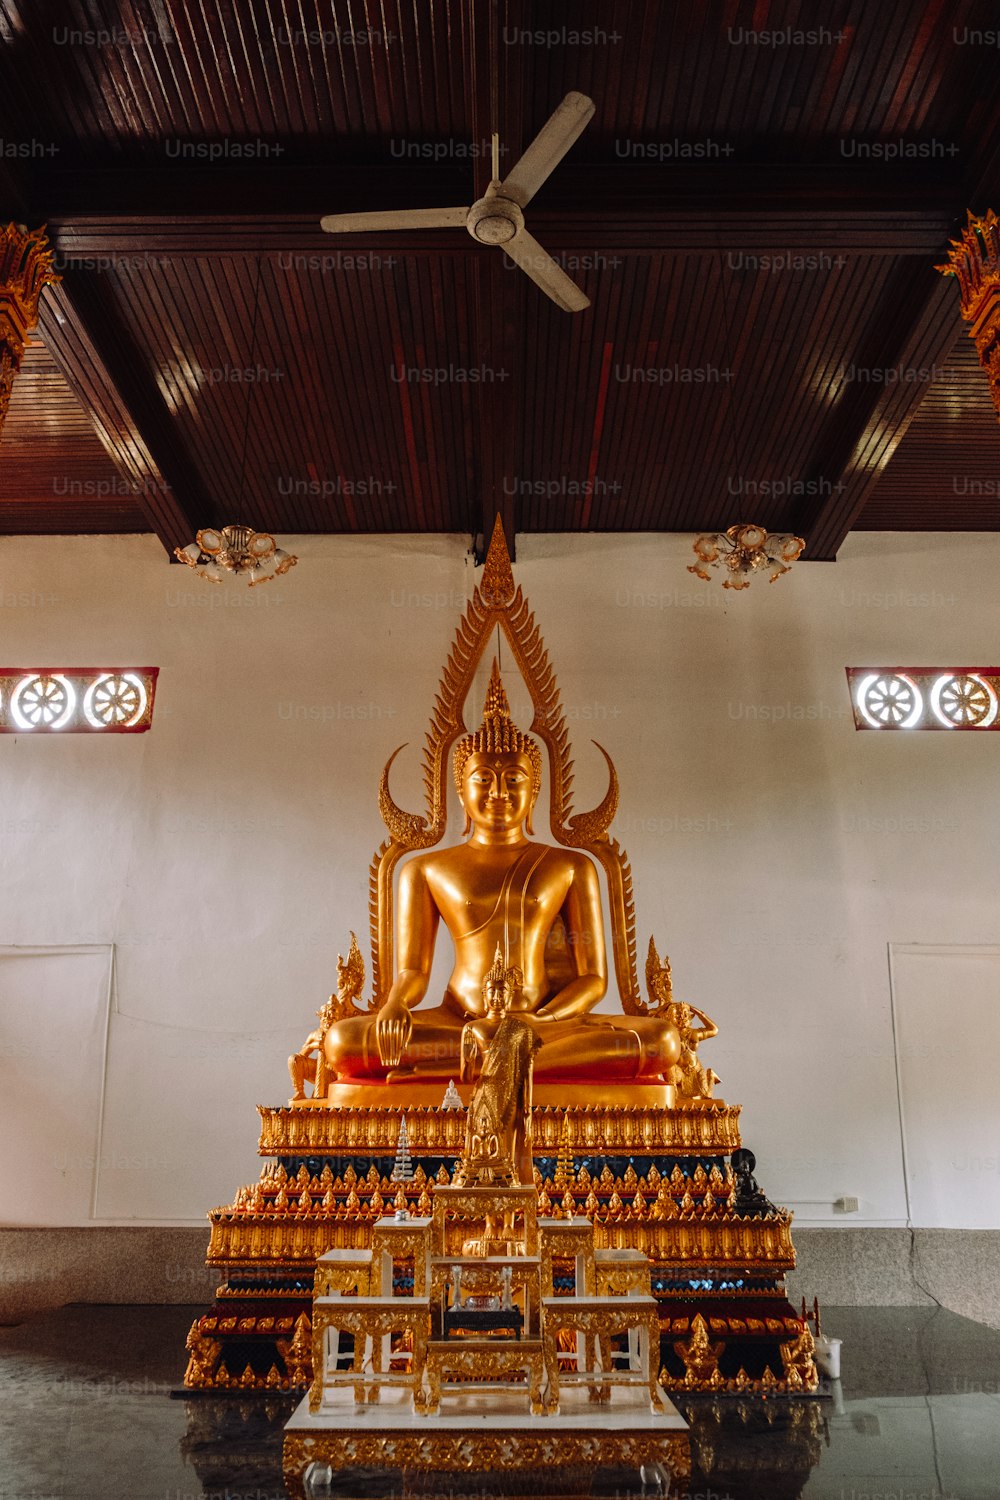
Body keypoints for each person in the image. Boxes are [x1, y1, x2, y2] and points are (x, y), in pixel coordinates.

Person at [323, 663, 681, 1084]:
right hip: (459, 1022)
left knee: (662, 1040)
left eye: (514, 778)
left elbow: (592, 979)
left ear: (536, 789)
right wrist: (397, 1004)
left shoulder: (570, 865)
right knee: (343, 1042)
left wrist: (535, 1022)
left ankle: (496, 1058)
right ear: (460, 788)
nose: (498, 792)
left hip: (546, 1026)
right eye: (483, 779)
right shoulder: (424, 869)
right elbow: (413, 972)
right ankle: (500, 1058)